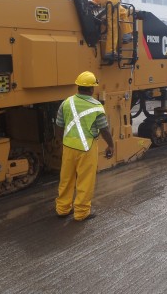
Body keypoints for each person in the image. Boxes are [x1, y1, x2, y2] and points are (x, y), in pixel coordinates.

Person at [55, 71, 114, 221]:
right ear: (92, 89)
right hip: (87, 148)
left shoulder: (66, 102)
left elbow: (59, 126)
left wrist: (62, 142)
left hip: (68, 146)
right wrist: (111, 145)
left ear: (78, 86)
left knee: (66, 179)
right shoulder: (97, 107)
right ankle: (81, 213)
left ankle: (62, 209)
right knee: (85, 181)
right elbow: (104, 129)